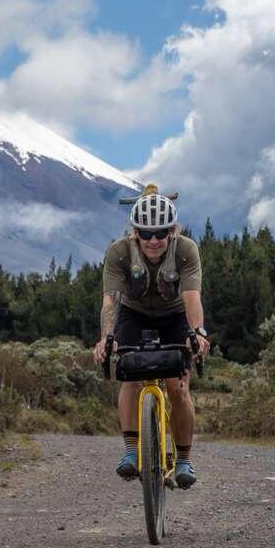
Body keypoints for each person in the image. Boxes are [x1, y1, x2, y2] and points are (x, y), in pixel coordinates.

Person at [92, 189, 210, 488]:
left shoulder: (186, 250)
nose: (153, 240)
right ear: (136, 233)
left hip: (175, 315)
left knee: (178, 387)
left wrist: (197, 333)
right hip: (134, 314)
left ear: (172, 231)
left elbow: (192, 297)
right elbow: (111, 302)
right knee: (130, 377)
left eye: (160, 232)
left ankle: (184, 459)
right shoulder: (118, 252)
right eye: (146, 233)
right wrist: (106, 338)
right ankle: (131, 452)